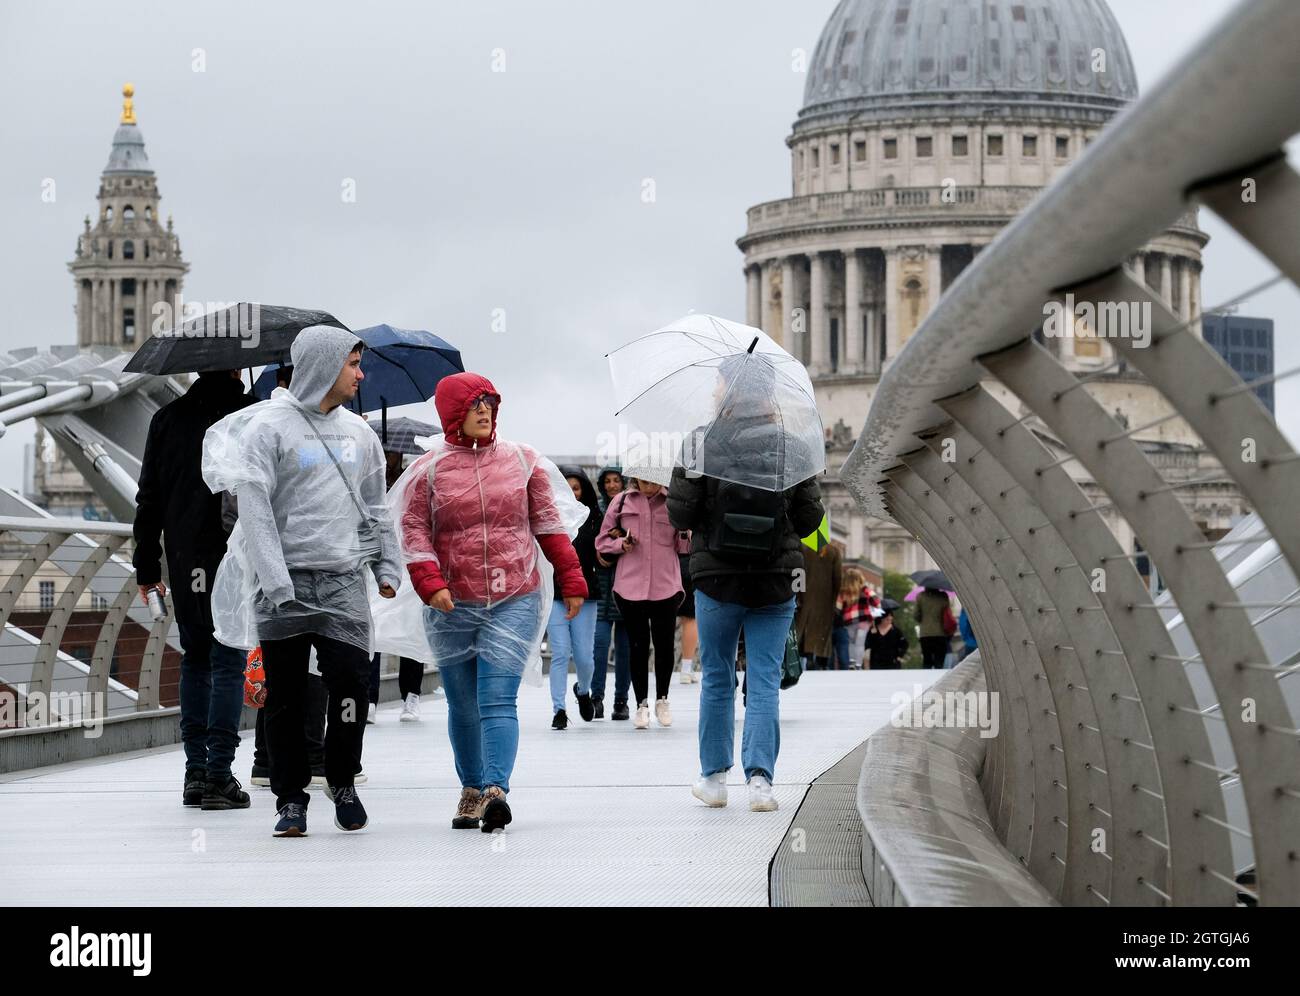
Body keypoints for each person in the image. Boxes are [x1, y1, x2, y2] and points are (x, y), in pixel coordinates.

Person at [202, 326, 403, 837]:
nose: (361, 374)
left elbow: (376, 507)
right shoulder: (267, 429)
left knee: (352, 688)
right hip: (281, 586)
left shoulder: (360, 435)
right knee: (285, 698)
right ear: (323, 364)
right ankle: (290, 800)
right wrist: (273, 579)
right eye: (353, 364)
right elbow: (254, 507)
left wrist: (385, 567)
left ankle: (343, 781)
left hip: (341, 583)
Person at [396, 372, 586, 832]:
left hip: (513, 597)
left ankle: (496, 790)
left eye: (490, 403)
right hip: (450, 602)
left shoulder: (524, 461)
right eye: (474, 404)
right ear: (451, 413)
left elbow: (548, 524)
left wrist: (572, 577)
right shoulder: (428, 471)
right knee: (462, 702)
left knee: (497, 699)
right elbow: (413, 530)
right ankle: (471, 788)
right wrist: (429, 582)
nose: (484, 411)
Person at [667, 366, 826, 812]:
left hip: (717, 578)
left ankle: (714, 779)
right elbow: (811, 520)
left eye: (719, 381)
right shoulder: (792, 446)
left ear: (730, 390)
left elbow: (680, 516)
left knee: (716, 677)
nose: (714, 389)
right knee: (763, 682)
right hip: (776, 580)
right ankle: (761, 783)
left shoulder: (701, 443)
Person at [134, 368, 255, 810]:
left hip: (186, 559)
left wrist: (147, 565)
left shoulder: (166, 419)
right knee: (228, 659)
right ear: (236, 367)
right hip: (235, 553)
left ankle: (195, 773)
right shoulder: (250, 415)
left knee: (196, 658)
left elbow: (149, 499)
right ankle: (220, 776)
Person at [596, 466, 689, 730]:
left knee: (664, 645)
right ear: (635, 477)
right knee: (637, 646)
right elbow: (601, 541)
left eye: (652, 481)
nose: (647, 487)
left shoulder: (673, 501)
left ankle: (663, 699)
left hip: (665, 585)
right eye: (642, 481)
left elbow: (684, 547)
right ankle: (641, 704)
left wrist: (684, 528)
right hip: (630, 585)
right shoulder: (622, 501)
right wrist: (620, 545)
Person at [546, 466, 602, 729]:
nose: (571, 493)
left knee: (584, 656)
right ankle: (559, 709)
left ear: (584, 490)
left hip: (585, 592)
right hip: (554, 594)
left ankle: (583, 690)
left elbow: (603, 553)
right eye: (566, 488)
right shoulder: (547, 518)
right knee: (560, 652)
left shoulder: (593, 518)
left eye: (576, 488)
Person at [590, 466, 632, 719]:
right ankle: (596, 698)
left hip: (626, 587)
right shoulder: (595, 510)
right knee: (599, 645)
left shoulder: (630, 507)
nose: (612, 485)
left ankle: (621, 700)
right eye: (607, 481)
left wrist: (621, 536)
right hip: (600, 586)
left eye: (616, 480)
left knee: (625, 649)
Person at [795, 540, 842, 670]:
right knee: (822, 631)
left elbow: (797, 573)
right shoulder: (833, 551)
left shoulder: (802, 549)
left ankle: (807, 656)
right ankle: (821, 660)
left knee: (804, 627)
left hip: (804, 596)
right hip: (825, 600)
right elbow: (837, 578)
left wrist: (798, 594)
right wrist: (833, 599)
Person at [915, 585, 952, 669]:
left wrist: (923, 620)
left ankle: (926, 680)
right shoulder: (943, 596)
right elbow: (948, 613)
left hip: (925, 634)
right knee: (939, 662)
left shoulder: (921, 596)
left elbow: (916, 615)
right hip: (940, 634)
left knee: (927, 661)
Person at [676, 551, 699, 683]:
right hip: (689, 562)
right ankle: (686, 669)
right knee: (690, 619)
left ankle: (660, 665)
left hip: (666, 564)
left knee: (663, 618)